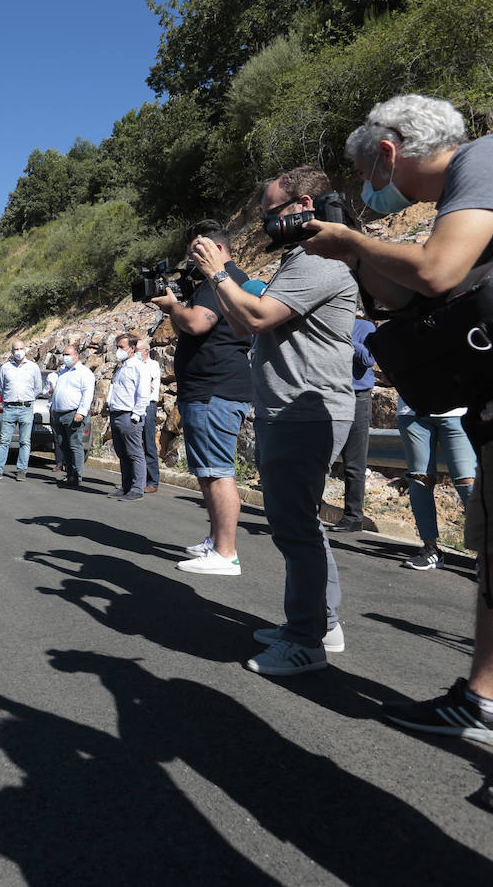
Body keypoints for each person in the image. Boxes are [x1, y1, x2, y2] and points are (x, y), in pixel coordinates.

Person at [303, 94, 493, 824]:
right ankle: (488, 701)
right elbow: (408, 297)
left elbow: (438, 271)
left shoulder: (491, 157)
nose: (366, 181)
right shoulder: (473, 193)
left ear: (389, 151)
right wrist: (359, 245)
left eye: (363, 166)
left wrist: (353, 242)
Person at [202, 167, 357, 673]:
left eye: (270, 213)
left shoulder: (318, 258)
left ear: (302, 205)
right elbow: (242, 317)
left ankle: (305, 639)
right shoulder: (300, 259)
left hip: (304, 408)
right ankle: (320, 624)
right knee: (302, 524)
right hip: (289, 407)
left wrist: (219, 273)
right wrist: (225, 283)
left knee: (294, 529)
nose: (265, 223)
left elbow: (256, 318)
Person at [150, 219, 253, 577]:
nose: (192, 259)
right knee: (208, 472)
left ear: (219, 248)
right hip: (208, 391)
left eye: (198, 250)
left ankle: (226, 554)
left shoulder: (221, 279)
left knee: (217, 472)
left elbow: (195, 323)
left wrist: (171, 306)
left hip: (215, 391)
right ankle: (216, 541)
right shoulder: (218, 283)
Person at [395, 401, 475, 570]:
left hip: (457, 411)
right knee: (420, 479)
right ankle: (430, 549)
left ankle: (487, 554)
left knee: (467, 482)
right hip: (412, 411)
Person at [328, 318, 377, 533]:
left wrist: (345, 336)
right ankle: (310, 510)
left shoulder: (365, 327)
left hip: (358, 398)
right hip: (330, 396)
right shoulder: (327, 323)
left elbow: (367, 359)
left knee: (354, 462)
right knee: (321, 459)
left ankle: (353, 517)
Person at [0, 340, 43, 482]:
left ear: (25, 349)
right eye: (16, 349)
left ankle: (21, 471)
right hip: (10, 407)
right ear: (12, 352)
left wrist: (28, 398)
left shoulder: (33, 367)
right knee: (4, 441)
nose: (19, 351)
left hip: (26, 407)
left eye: (21, 348)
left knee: (25, 441)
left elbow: (38, 388)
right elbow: (1, 388)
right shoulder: (6, 368)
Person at [104, 334, 146, 501]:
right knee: (122, 453)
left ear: (132, 348)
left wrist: (136, 416)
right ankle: (126, 485)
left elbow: (143, 393)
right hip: (116, 414)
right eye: (118, 347)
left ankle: (137, 489)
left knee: (134, 453)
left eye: (121, 347)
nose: (118, 350)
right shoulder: (122, 368)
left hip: (129, 415)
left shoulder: (138, 367)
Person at [48, 345, 95, 487]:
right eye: (63, 354)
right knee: (63, 444)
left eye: (67, 354)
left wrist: (81, 412)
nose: (64, 357)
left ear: (76, 356)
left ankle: (77, 475)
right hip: (59, 414)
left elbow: (87, 394)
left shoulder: (84, 373)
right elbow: (58, 392)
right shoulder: (63, 373)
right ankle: (69, 474)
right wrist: (55, 408)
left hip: (73, 413)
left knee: (75, 444)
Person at [136, 337, 161, 493]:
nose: (135, 352)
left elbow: (148, 386)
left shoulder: (153, 365)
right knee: (134, 444)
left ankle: (152, 481)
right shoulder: (132, 364)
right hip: (134, 404)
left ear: (146, 351)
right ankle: (135, 479)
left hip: (148, 406)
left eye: (137, 350)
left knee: (148, 442)